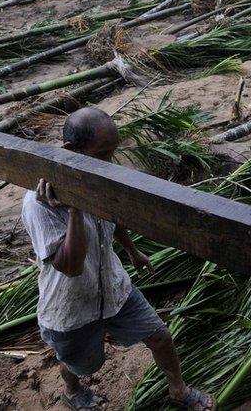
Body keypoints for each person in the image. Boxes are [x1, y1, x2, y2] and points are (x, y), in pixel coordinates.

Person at [21, 107, 215, 410]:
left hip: (114, 287)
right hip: (72, 305)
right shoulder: (39, 204)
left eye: (112, 153)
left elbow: (113, 216)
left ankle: (178, 390)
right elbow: (70, 266)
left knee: (160, 336)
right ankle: (72, 391)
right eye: (102, 153)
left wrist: (132, 251)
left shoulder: (99, 177)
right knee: (79, 364)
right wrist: (75, 206)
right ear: (72, 151)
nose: (109, 162)